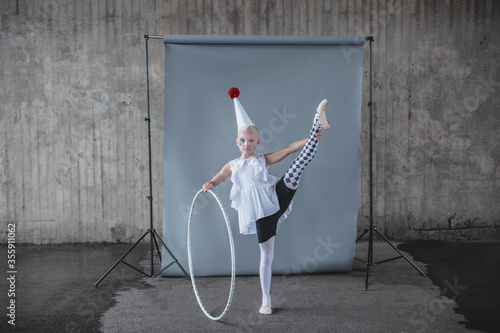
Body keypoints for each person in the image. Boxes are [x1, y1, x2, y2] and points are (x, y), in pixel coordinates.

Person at [202, 89, 330, 315]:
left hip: (277, 197)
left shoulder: (262, 160)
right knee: (267, 257)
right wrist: (210, 183)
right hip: (263, 216)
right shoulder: (232, 165)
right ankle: (266, 300)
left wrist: (310, 138)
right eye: (243, 140)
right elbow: (220, 176)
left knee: (298, 166)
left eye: (251, 140)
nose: (247, 144)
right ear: (237, 142)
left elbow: (289, 149)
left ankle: (317, 124)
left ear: (258, 142)